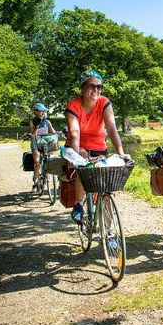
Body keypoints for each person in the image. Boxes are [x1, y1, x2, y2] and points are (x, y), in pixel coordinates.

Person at [64, 69, 129, 223]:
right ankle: (79, 204)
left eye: (99, 87)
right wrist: (76, 157)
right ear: (82, 87)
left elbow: (112, 128)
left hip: (99, 146)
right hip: (77, 146)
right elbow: (74, 133)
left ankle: (110, 232)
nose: (96, 90)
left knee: (107, 187)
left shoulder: (104, 102)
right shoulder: (73, 106)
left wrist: (121, 153)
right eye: (92, 86)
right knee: (84, 164)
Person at [29, 102, 57, 191]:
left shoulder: (47, 121)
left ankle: (44, 178)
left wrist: (59, 133)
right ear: (35, 112)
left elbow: (52, 131)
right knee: (37, 162)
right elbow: (33, 133)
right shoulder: (32, 121)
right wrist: (37, 125)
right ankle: (35, 181)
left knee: (47, 162)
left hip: (45, 143)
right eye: (41, 111)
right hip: (35, 143)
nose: (43, 112)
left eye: (44, 111)